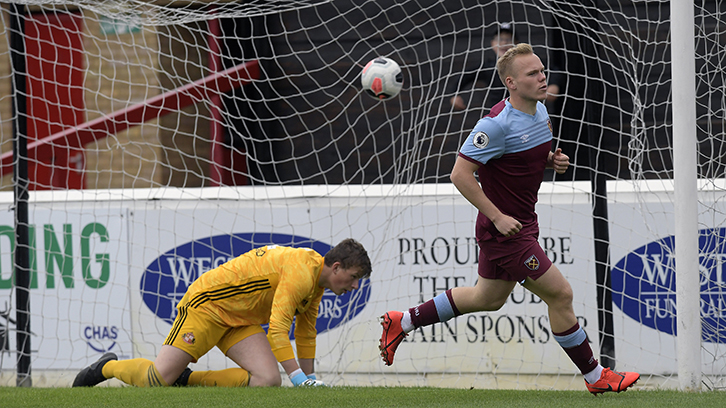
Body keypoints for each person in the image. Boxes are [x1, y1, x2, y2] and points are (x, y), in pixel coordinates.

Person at [379, 43, 639, 395]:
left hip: (520, 223)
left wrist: (550, 160)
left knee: (488, 298)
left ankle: (404, 321)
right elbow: (459, 174)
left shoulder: (541, 112)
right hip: (505, 232)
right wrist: (498, 217)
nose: (542, 77)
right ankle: (596, 377)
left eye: (542, 70)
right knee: (561, 295)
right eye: (532, 74)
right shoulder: (495, 124)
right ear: (511, 83)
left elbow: (522, 156)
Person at [73, 238, 372, 388]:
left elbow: (306, 333)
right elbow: (279, 331)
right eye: (354, 277)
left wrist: (311, 380)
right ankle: (106, 367)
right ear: (336, 268)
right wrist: (299, 380)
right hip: (207, 306)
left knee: (268, 380)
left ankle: (186, 380)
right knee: (156, 379)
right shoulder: (300, 272)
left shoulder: (317, 282)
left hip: (239, 319)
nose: (356, 286)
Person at [449, 23, 563, 113]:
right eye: (499, 40)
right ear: (493, 43)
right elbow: (466, 75)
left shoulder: (526, 63)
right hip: (499, 115)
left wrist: (553, 85)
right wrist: (454, 93)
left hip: (526, 113)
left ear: (516, 43)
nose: (504, 43)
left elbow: (552, 70)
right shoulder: (488, 67)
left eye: (508, 40)